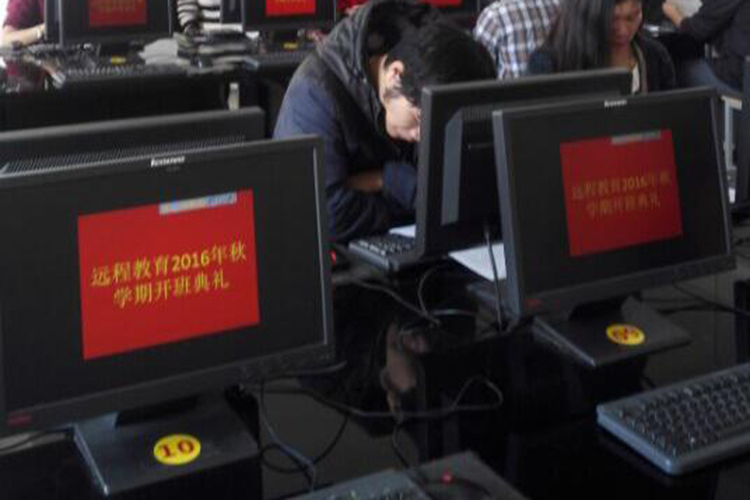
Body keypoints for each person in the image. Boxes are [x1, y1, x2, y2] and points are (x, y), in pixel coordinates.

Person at [273, 0, 495, 243]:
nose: (422, 134)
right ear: (395, 74)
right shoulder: (316, 92)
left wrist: (382, 181)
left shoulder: (432, 75)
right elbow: (326, 214)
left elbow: (459, 190)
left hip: (410, 240)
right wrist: (399, 185)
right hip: (337, 253)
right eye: (419, 118)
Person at [528, 0, 676, 93]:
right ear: (586, 15)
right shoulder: (549, 63)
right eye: (612, 20)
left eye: (632, 18)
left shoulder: (656, 55)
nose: (623, 30)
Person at [662, 0, 749, 92]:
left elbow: (696, 29)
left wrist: (674, 15)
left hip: (739, 79)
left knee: (670, 71)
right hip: (742, 72)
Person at [473, 0, 562, 79]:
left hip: (509, 92)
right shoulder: (559, 6)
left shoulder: (493, 16)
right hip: (557, 91)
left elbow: (478, 73)